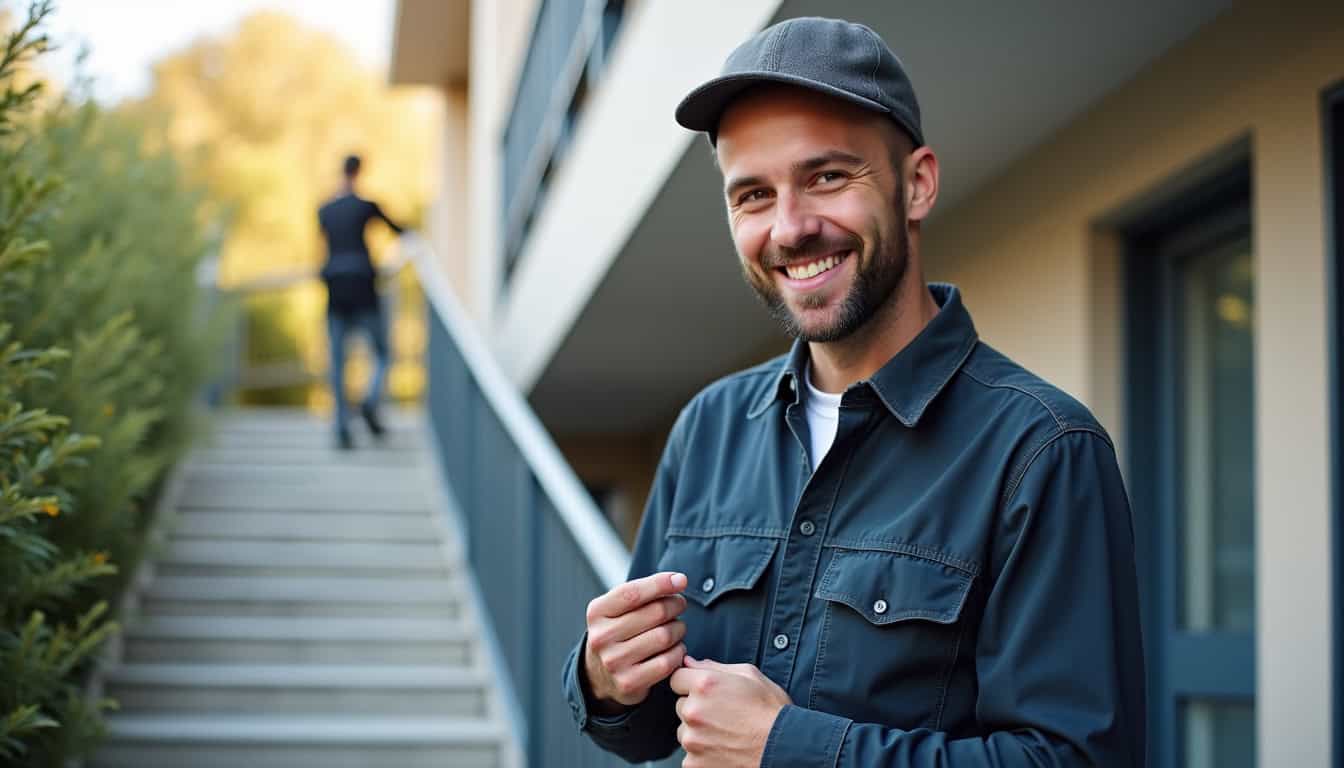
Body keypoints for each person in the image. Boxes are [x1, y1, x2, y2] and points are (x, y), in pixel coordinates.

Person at [561, 16, 1146, 767]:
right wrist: (604, 679)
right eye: (753, 195)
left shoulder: (1043, 451)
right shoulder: (707, 427)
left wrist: (788, 747)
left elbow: (1073, 759)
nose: (790, 228)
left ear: (917, 185)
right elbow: (654, 725)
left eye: (828, 178)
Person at [317, 154, 403, 449]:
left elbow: (321, 248)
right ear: (359, 172)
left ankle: (342, 426)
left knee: (338, 362)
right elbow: (399, 231)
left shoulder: (325, 210)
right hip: (363, 287)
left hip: (335, 289)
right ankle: (370, 400)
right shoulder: (366, 206)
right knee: (381, 352)